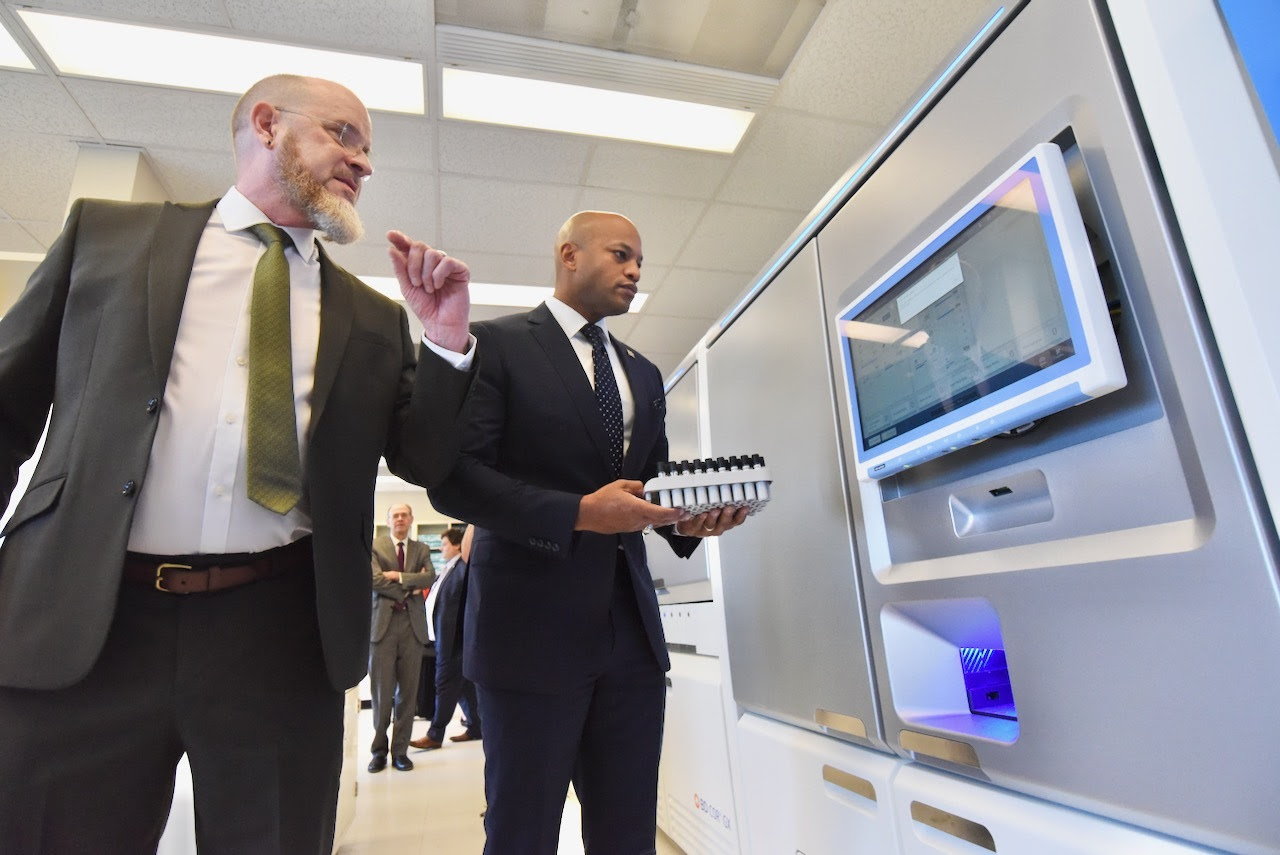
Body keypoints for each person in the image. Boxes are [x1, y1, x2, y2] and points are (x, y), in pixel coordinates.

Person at [0, 74, 476, 853]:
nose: (363, 162)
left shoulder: (374, 319)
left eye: (368, 148)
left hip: (278, 632)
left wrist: (448, 344)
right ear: (266, 124)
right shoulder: (108, 238)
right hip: (85, 615)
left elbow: (428, 458)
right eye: (344, 135)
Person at [429, 211, 748, 854]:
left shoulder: (643, 373)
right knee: (523, 831)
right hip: (528, 634)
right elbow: (457, 482)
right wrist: (577, 512)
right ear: (569, 255)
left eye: (641, 263)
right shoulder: (496, 345)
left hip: (629, 637)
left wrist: (693, 519)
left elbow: (648, 491)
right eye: (622, 255)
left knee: (628, 831)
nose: (635, 272)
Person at [369, 503, 436, 772]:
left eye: (404, 515)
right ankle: (378, 752)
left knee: (407, 696)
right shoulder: (375, 546)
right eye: (395, 515)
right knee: (382, 696)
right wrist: (409, 585)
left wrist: (397, 576)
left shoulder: (421, 549)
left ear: (411, 519)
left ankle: (401, 752)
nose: (399, 519)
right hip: (382, 627)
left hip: (412, 627)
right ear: (388, 520)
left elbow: (430, 577)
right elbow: (372, 580)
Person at [410, 524, 481, 751]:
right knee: (463, 686)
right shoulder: (450, 568)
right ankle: (476, 726)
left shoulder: (463, 568)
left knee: (444, 684)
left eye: (444, 545)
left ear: (457, 546)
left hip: (453, 642)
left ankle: (435, 734)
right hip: (442, 638)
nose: (441, 549)